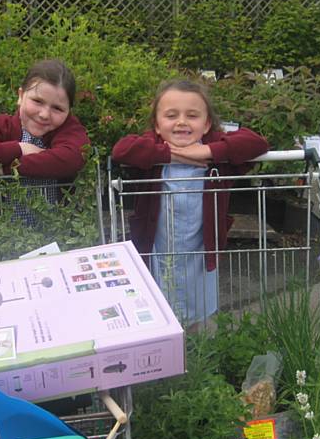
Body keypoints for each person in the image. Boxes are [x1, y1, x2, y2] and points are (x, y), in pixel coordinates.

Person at [112, 79, 269, 327]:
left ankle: (193, 358)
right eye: (171, 115)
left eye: (192, 115)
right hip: (157, 249)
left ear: (206, 124)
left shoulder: (218, 158)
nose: (182, 122)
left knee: (195, 312)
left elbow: (257, 143)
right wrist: (171, 154)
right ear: (157, 124)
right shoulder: (152, 151)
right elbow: (122, 150)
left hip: (199, 252)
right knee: (157, 310)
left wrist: (207, 152)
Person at [0, 59, 90, 223]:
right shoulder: (1, 126)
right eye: (37, 101)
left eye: (57, 108)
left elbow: (72, 158)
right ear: (21, 96)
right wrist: (20, 148)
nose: (44, 114)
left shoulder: (69, 130)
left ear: (68, 112)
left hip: (58, 235)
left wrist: (7, 170)